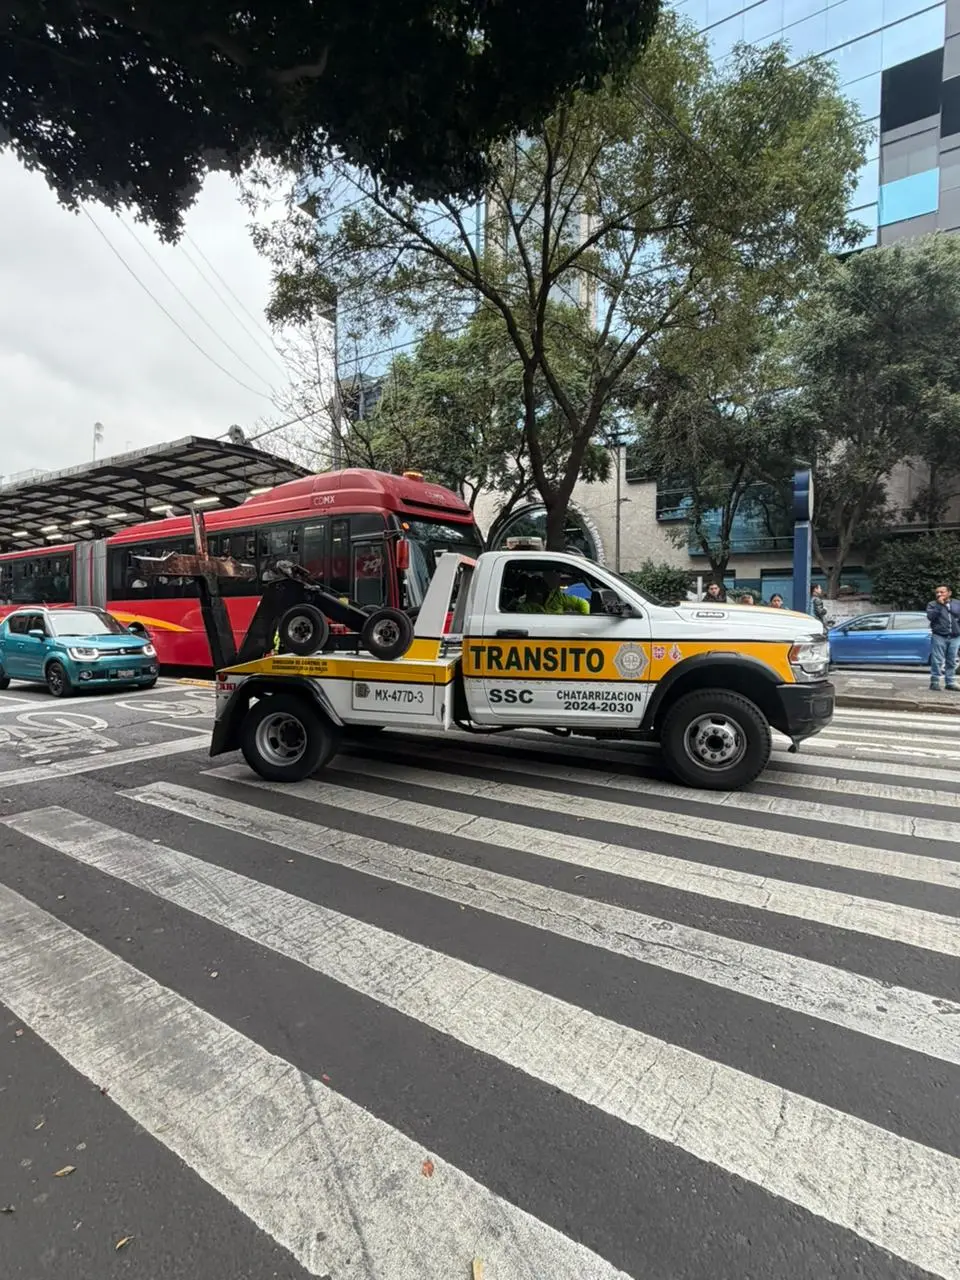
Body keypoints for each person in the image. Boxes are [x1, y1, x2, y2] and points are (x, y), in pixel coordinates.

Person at [926, 584, 960, 691]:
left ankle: (950, 682)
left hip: (955, 636)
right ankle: (935, 682)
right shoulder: (932, 604)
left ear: (949, 593)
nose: (939, 594)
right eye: (937, 592)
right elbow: (931, 617)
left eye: (942, 592)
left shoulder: (957, 603)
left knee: (951, 660)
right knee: (937, 660)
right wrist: (939, 605)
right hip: (939, 635)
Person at [518, 572, 589, 615]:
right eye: (533, 587)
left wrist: (584, 621)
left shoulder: (557, 596)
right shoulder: (524, 607)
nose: (537, 590)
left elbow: (583, 603)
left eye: (539, 585)